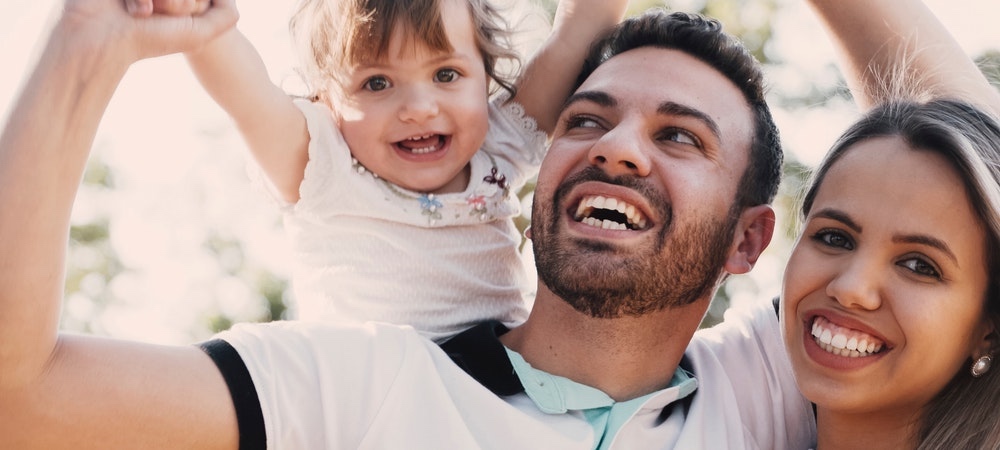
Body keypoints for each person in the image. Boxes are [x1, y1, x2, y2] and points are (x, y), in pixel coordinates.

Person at [0, 2, 823, 449]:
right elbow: (18, 402)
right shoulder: (348, 383)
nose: (618, 150)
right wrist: (85, 40)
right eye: (586, 118)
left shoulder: (763, 389)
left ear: (751, 240)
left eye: (679, 136)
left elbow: (951, 177)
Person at [127, 0, 627, 341]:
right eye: (377, 83)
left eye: (446, 74)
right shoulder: (323, 168)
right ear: (327, 102)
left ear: (485, 76)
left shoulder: (494, 147)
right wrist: (201, 26)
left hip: (488, 398)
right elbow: (247, 96)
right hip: (366, 396)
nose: (418, 106)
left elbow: (576, 36)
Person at [750, 0, 1000, 448]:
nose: (851, 288)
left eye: (919, 265)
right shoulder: (722, 394)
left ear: (989, 330)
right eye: (834, 237)